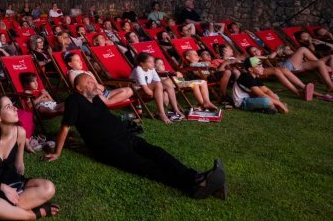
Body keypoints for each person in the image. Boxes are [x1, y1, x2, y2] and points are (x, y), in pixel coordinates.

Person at [46, 73, 227, 200]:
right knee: (146, 165)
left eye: (94, 81)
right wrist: (57, 153)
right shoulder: (74, 100)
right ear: (78, 88)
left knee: (157, 153)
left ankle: (197, 178)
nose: (94, 84)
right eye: (89, 83)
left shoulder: (96, 98)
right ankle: (195, 185)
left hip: (125, 136)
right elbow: (65, 127)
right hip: (110, 147)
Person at [0, 95, 59, 221]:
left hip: (13, 183)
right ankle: (32, 214)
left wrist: (22, 180)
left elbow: (19, 166)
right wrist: (2, 187)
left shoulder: (20, 133)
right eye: (8, 107)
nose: (15, 108)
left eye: (13, 105)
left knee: (48, 187)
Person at [130, 52, 185, 123]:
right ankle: (162, 113)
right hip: (137, 91)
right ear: (142, 63)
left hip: (148, 88)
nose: (153, 64)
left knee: (167, 83)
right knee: (158, 84)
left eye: (153, 62)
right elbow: (145, 88)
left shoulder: (151, 69)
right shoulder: (138, 69)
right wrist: (158, 93)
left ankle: (176, 109)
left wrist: (163, 92)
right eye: (150, 62)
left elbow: (158, 81)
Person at [64, 52, 134, 106]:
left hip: (104, 93)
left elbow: (97, 84)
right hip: (92, 96)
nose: (80, 62)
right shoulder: (72, 73)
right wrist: (96, 90)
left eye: (80, 60)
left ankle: (109, 101)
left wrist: (99, 88)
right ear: (70, 64)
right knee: (102, 96)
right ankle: (111, 102)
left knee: (129, 90)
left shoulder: (88, 72)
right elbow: (77, 88)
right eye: (77, 60)